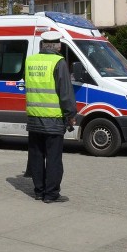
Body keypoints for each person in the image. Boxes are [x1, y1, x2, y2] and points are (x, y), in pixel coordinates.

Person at [25, 30, 77, 203]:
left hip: (33, 118)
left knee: (37, 156)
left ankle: (38, 191)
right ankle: (51, 194)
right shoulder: (59, 62)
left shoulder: (30, 61)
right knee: (53, 158)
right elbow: (65, 93)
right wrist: (71, 115)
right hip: (53, 119)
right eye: (60, 44)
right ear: (56, 46)